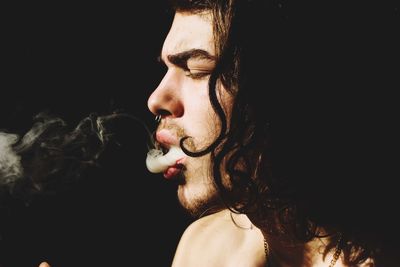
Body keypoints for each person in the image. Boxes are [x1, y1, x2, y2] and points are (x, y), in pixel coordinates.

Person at [146, 0, 399, 266]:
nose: (156, 99)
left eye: (197, 69)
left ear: (277, 88)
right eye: (167, 69)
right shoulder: (204, 250)